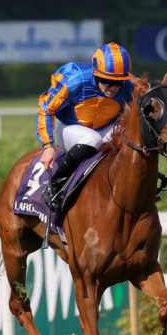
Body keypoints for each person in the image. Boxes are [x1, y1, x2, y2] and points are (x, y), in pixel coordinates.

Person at [36, 42, 134, 210]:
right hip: (68, 128)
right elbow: (46, 108)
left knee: (132, 134)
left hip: (104, 129)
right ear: (95, 74)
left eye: (119, 83)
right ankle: (54, 188)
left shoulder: (128, 87)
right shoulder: (74, 80)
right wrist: (47, 146)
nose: (113, 88)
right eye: (106, 81)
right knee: (91, 138)